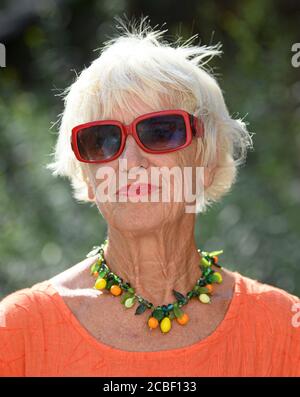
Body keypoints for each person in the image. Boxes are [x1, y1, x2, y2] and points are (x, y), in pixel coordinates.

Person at [0, 18, 299, 377]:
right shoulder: (18, 334)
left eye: (160, 131)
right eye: (102, 140)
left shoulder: (284, 331)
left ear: (206, 160)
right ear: (89, 178)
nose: (129, 163)